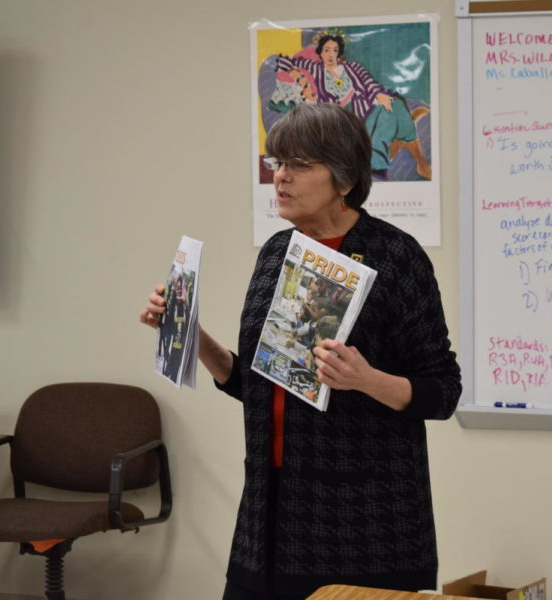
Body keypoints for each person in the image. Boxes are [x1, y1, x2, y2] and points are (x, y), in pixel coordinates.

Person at [141, 103, 461, 600]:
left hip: (364, 524)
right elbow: (255, 384)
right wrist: (191, 333)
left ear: (345, 178)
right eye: (276, 163)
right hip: (268, 515)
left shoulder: (397, 257)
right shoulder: (276, 253)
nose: (281, 178)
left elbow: (443, 392)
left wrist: (365, 379)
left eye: (299, 165)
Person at [272, 32, 432, 180]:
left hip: (364, 113)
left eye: (334, 50)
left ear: (339, 52)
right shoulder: (316, 69)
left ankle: (419, 163)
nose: (330, 54)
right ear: (320, 52)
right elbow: (283, 61)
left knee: (394, 104)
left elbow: (369, 82)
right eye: (327, 50)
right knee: (395, 117)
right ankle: (408, 148)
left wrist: (378, 94)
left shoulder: (352, 68)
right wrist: (294, 72)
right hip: (341, 124)